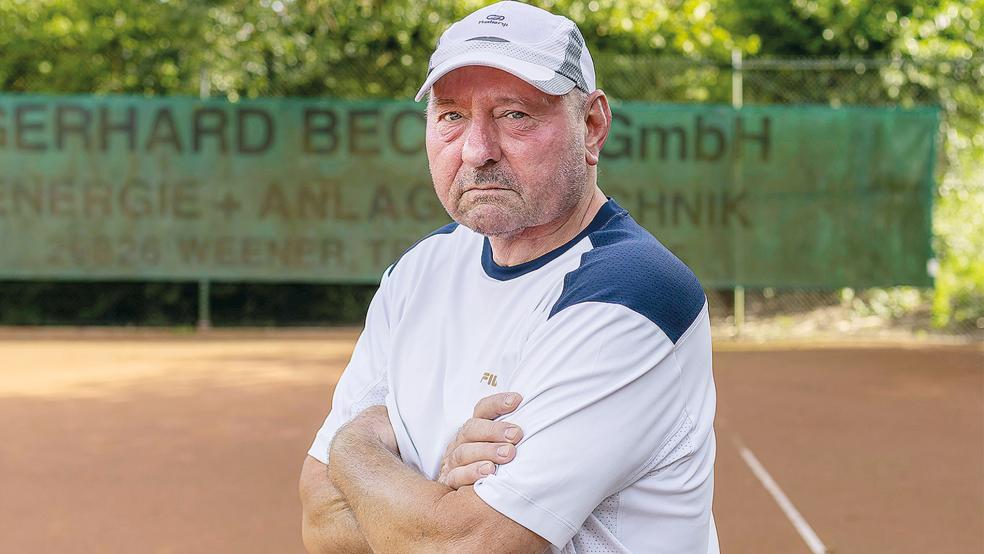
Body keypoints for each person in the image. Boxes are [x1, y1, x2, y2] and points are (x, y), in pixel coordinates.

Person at [299, 2, 718, 552]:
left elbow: (459, 547)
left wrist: (354, 451)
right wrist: (433, 491)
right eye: (451, 115)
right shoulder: (417, 273)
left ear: (592, 126)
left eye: (514, 114)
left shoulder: (631, 293)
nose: (477, 150)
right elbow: (320, 522)